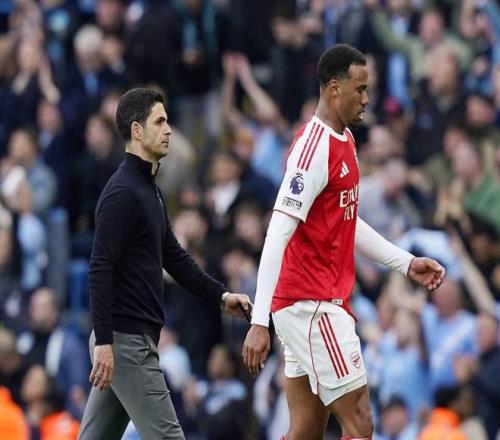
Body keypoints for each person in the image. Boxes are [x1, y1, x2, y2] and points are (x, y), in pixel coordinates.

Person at [242, 44, 445, 440]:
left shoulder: (345, 139)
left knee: (305, 431)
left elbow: (346, 220)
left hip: (309, 303)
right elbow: (277, 233)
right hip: (312, 305)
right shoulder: (313, 149)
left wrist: (404, 263)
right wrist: (258, 321)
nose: (366, 99)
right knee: (361, 423)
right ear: (334, 88)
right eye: (360, 89)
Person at [78, 88, 252, 440]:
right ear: (137, 130)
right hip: (126, 343)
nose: (168, 129)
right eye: (159, 122)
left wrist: (220, 297)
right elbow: (100, 267)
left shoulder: (149, 191)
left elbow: (175, 257)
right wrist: (105, 342)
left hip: (125, 340)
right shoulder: (122, 192)